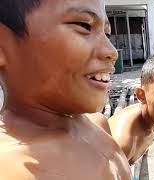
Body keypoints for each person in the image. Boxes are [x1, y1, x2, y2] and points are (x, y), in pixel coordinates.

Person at [0, 0, 132, 179]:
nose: (112, 51)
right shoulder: (13, 168)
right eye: (84, 25)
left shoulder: (96, 124)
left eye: (106, 32)